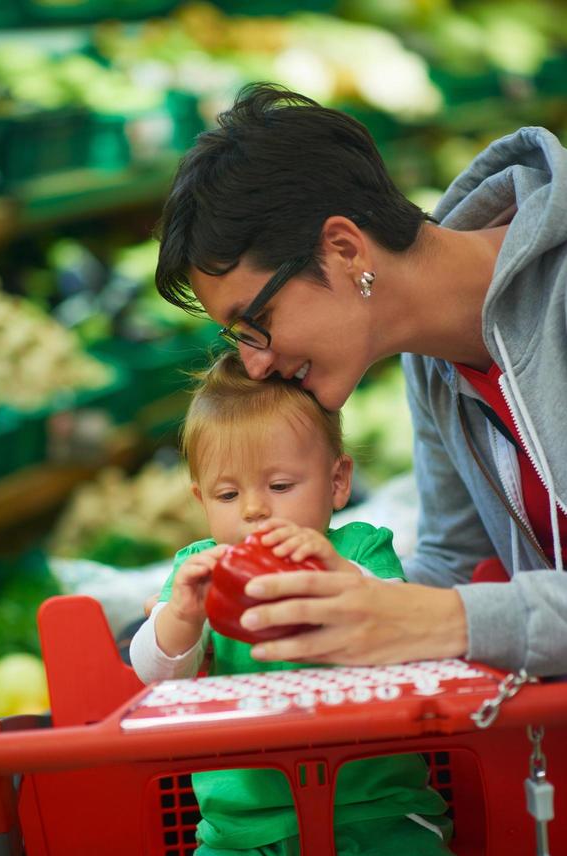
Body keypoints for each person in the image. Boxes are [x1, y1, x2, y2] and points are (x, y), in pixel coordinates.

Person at [154, 84, 566, 678]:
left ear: (345, 249)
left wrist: (449, 620)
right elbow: (454, 563)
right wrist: (322, 588)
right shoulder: (433, 360)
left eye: (257, 322)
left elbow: (443, 608)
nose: (255, 365)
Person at [130, 351, 499, 856]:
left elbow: (399, 624)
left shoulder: (360, 550)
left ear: (336, 482)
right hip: (247, 827)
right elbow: (152, 675)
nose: (254, 511)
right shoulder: (200, 569)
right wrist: (181, 617)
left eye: (280, 487)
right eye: (227, 493)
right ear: (200, 500)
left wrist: (337, 575)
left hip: (380, 808)